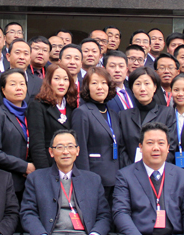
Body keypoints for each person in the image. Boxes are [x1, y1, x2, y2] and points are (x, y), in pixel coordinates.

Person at [0, 69, 35, 200]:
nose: (19, 88)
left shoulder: (31, 114)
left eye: (22, 84)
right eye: (13, 84)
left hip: (30, 183)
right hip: (6, 182)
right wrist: (24, 167)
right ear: (3, 90)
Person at [72, 68, 122, 200]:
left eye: (104, 83)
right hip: (95, 178)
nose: (100, 87)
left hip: (115, 177)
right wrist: (84, 179)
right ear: (87, 87)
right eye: (94, 83)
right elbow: (80, 150)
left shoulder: (113, 114)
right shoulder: (82, 112)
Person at [118, 67, 175, 167]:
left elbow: (171, 146)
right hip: (130, 171)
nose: (142, 89)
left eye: (147, 83)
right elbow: (121, 148)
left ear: (155, 87)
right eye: (138, 84)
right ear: (132, 89)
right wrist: (133, 169)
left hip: (159, 169)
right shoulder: (123, 116)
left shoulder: (167, 113)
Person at [27, 64, 78, 169]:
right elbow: (37, 145)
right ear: (48, 81)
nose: (61, 83)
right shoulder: (38, 106)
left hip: (69, 166)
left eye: (65, 79)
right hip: (49, 165)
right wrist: (44, 171)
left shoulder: (72, 106)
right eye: (57, 78)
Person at [0, 40, 43, 107]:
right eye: (17, 53)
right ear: (8, 56)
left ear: (30, 59)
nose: (22, 57)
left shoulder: (40, 83)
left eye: (26, 54)